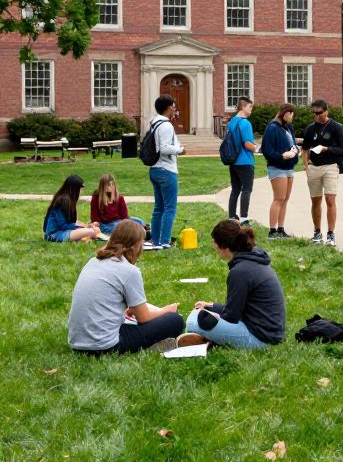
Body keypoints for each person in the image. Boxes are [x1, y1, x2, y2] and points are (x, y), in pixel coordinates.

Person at [68, 220, 184, 354]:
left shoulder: (93, 261)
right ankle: (155, 344)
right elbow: (143, 318)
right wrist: (166, 310)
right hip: (105, 346)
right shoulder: (129, 271)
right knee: (175, 320)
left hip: (77, 344)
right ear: (135, 246)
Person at [179, 219, 286, 349]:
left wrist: (214, 315)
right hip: (270, 333)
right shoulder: (253, 259)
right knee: (204, 312)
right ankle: (206, 339)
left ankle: (202, 338)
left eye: (215, 241)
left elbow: (231, 316)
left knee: (193, 320)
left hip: (260, 339)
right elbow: (240, 307)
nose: (213, 244)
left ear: (225, 247)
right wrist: (210, 306)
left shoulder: (240, 272)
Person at [301, 99, 343, 246]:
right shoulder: (310, 129)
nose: (316, 116)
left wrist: (327, 149)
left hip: (331, 166)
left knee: (330, 200)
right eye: (314, 113)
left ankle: (330, 234)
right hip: (314, 167)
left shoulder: (336, 128)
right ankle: (317, 232)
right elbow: (305, 149)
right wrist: (306, 166)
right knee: (315, 201)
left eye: (319, 113)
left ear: (326, 111)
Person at [149, 94, 185, 248]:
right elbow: (163, 148)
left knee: (159, 208)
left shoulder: (153, 123)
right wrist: (180, 150)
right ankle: (164, 242)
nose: (175, 108)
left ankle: (155, 241)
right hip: (166, 170)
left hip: (155, 169)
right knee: (170, 208)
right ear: (169, 107)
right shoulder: (166, 125)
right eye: (174, 106)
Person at [262, 103, 300, 239]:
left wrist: (296, 150)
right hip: (277, 168)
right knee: (279, 198)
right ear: (284, 113)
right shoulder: (272, 128)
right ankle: (272, 231)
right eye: (290, 114)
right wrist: (281, 156)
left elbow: (293, 143)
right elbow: (266, 149)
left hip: (290, 167)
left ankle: (281, 229)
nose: (291, 117)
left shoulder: (288, 127)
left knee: (285, 199)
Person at [226, 97, 258, 225]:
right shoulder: (245, 123)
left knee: (235, 189)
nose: (251, 110)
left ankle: (232, 217)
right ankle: (244, 218)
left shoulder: (231, 122)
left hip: (233, 160)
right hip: (245, 160)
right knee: (246, 189)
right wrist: (258, 148)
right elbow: (247, 144)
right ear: (243, 107)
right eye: (250, 107)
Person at [43, 174, 99, 243]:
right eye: (80, 189)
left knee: (94, 230)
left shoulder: (70, 201)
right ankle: (84, 237)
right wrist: (85, 227)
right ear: (75, 189)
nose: (81, 191)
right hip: (55, 234)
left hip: (64, 231)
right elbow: (63, 225)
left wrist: (87, 225)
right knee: (93, 231)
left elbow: (73, 222)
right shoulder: (62, 201)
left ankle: (83, 238)